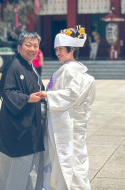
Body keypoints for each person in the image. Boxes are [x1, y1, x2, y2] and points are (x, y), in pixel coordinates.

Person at [40, 26, 96, 190]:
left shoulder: (69, 70)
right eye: (56, 49)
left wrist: (47, 95)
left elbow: (71, 95)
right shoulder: (75, 69)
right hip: (67, 119)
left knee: (65, 156)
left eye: (61, 49)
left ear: (71, 50)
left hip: (65, 122)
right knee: (72, 155)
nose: (58, 53)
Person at [0, 31, 46, 190]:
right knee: (16, 171)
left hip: (31, 128)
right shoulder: (14, 65)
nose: (32, 49)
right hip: (18, 130)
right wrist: (27, 98)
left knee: (31, 171)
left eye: (35, 46)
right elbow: (6, 92)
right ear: (19, 47)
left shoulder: (31, 67)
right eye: (28, 45)